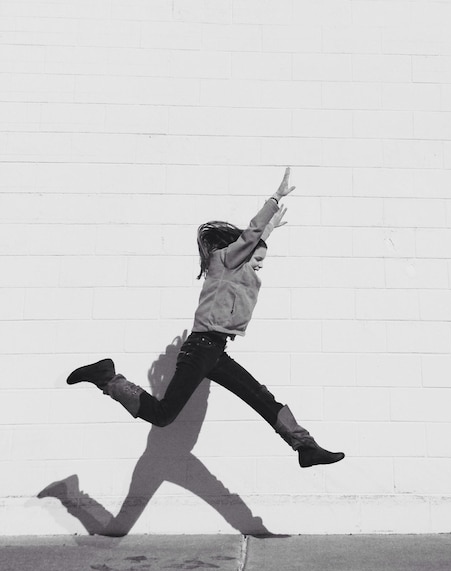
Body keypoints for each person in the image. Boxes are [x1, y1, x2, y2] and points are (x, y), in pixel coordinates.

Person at [66, 168, 345, 468]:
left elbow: (255, 239)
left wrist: (270, 229)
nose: (260, 267)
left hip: (214, 352)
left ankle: (305, 446)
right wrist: (274, 200)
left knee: (262, 398)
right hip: (200, 349)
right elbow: (251, 235)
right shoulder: (226, 259)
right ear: (244, 253)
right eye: (259, 261)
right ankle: (107, 378)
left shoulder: (235, 266)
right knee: (163, 415)